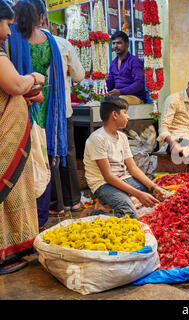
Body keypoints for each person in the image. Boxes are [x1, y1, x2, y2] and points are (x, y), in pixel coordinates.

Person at [9, 0, 67, 228]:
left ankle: (28, 221)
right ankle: (37, 218)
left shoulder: (13, 36)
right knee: (38, 158)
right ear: (40, 14)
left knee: (31, 159)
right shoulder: (44, 38)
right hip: (36, 105)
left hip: (31, 103)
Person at [0, 0, 46, 274]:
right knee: (8, 190)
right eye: (6, 24)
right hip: (5, 139)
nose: (8, 32)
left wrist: (20, 100)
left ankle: (12, 248)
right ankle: (6, 252)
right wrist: (33, 77)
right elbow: (15, 85)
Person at [84, 96, 169, 219]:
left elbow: (133, 168)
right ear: (114, 114)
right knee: (130, 215)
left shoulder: (122, 137)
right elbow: (108, 177)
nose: (128, 117)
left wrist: (153, 187)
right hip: (104, 184)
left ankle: (113, 202)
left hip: (125, 179)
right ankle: (93, 213)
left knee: (163, 195)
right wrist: (139, 194)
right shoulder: (97, 138)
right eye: (125, 113)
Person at [41, 9, 86, 215]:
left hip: (38, 112)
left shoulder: (22, 43)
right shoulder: (63, 43)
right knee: (66, 152)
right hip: (61, 110)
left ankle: (52, 204)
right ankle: (74, 202)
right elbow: (78, 76)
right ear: (46, 19)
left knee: (45, 154)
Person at [106, 31, 146, 105]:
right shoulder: (113, 63)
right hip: (118, 96)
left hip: (135, 97)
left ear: (127, 44)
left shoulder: (135, 61)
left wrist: (120, 92)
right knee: (100, 101)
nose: (115, 46)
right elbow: (110, 83)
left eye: (119, 43)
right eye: (114, 43)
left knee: (116, 101)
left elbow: (139, 84)